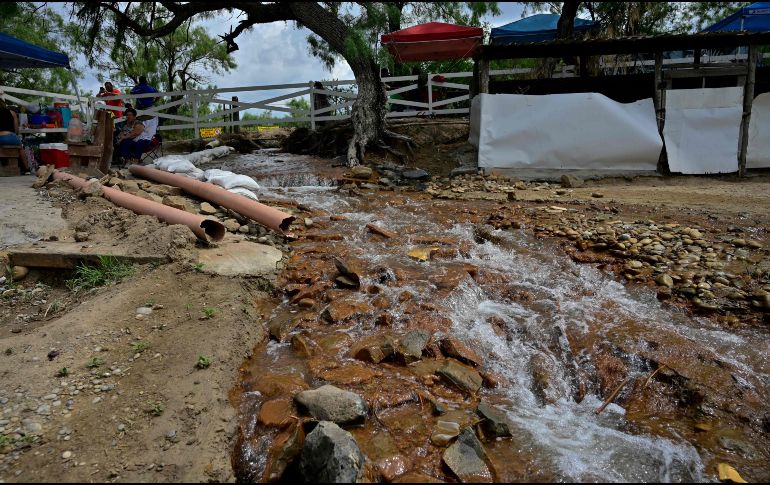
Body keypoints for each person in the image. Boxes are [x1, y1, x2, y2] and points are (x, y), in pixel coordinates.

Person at [0, 99, 29, 172]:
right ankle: (27, 169)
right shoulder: (13, 113)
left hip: (0, 137)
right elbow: (16, 131)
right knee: (21, 149)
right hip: (12, 137)